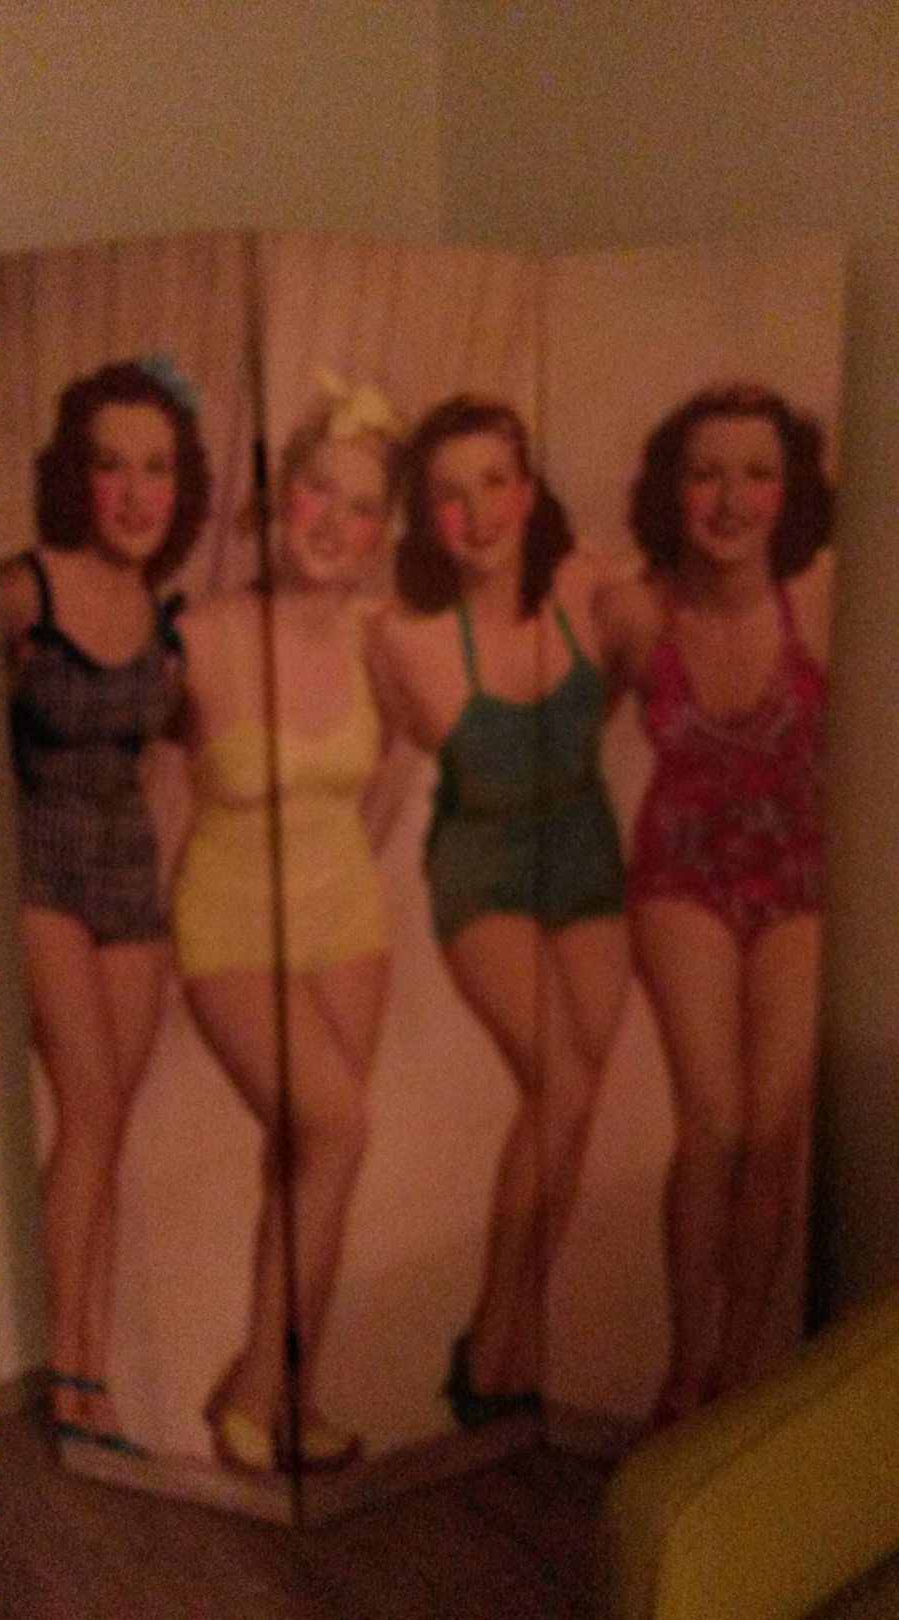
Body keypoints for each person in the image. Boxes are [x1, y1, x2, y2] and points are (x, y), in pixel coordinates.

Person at [367, 395, 629, 1426]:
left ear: (525, 490)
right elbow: (375, 768)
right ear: (425, 517)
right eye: (448, 494)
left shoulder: (583, 585)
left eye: (491, 483)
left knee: (574, 1099)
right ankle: (493, 1340)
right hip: (479, 864)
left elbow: (620, 686)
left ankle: (511, 1339)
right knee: (558, 1080)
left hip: (584, 849)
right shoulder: (406, 638)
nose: (475, 514)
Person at [173, 379, 406, 1474]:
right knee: (339, 1129)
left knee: (311, 1160)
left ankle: (291, 1397)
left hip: (346, 923)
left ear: (381, 532)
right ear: (280, 499)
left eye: (360, 506)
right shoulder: (202, 636)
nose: (333, 521)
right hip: (228, 927)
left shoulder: (376, 644)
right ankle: (258, 1387)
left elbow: (388, 779)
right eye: (318, 491)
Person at [598, 383, 834, 1423]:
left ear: (790, 491)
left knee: (775, 1129)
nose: (730, 500)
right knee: (714, 1124)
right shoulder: (632, 610)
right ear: (669, 488)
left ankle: (739, 1366)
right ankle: (685, 1369)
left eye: (755, 473)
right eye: (705, 474)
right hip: (679, 876)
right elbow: (553, 741)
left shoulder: (821, 597)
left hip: (799, 878)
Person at [0, 355, 210, 1451]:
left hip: (131, 875)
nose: (135, 494)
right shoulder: (22, 590)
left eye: (157, 469)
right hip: (37, 869)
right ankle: (71, 1376)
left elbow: (207, 739)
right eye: (112, 466)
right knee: (87, 1113)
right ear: (76, 479)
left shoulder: (168, 622)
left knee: (107, 1129)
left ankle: (90, 1374)